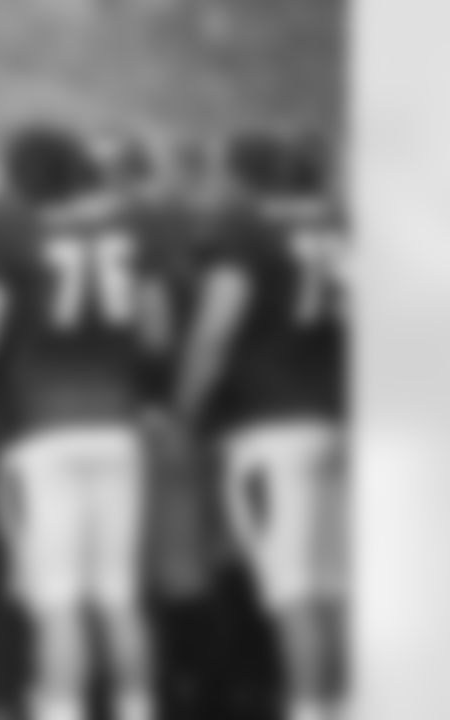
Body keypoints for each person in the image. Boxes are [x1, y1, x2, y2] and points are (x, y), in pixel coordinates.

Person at [0, 125, 165, 720]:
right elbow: (156, 328)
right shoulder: (125, 223)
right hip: (117, 424)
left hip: (39, 431)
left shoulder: (0, 222)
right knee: (119, 597)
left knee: (57, 602)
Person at [175, 134, 348, 720]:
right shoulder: (341, 224)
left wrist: (185, 405)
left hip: (270, 428)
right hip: (339, 421)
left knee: (294, 594)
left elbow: (216, 328)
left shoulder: (247, 231)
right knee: (334, 589)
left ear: (236, 178)